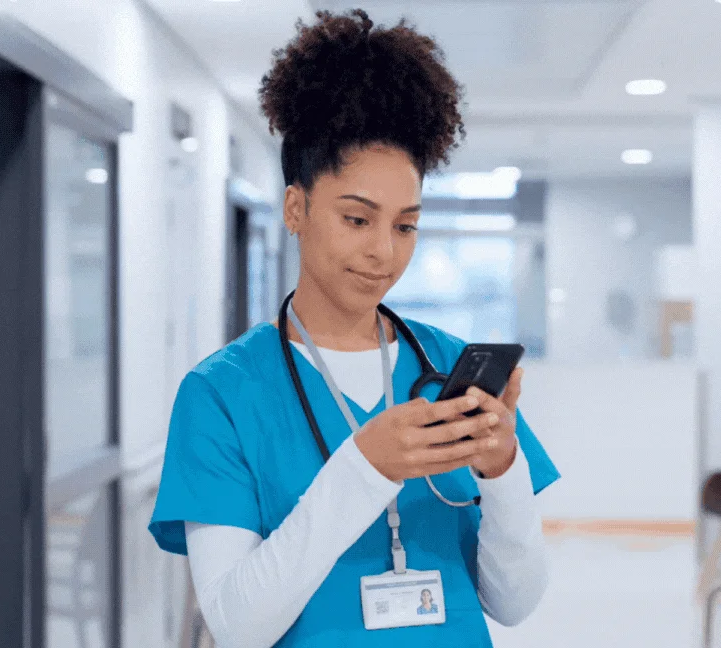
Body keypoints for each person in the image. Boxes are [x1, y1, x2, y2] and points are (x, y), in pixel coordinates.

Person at [149, 8, 560, 647]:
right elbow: (236, 626)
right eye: (357, 219)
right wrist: (365, 466)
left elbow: (514, 602)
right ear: (296, 208)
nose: (383, 253)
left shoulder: (447, 366)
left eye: (405, 226)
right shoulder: (221, 396)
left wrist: (503, 468)